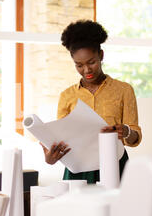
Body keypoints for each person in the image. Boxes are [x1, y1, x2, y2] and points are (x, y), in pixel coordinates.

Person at [41, 20, 142, 184]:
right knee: (79, 209)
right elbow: (61, 140)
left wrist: (127, 131)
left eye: (91, 62)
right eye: (79, 65)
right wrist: (50, 158)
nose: (86, 70)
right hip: (78, 169)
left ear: (101, 55)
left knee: (117, 209)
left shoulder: (123, 90)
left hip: (115, 164)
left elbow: (135, 137)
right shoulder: (67, 96)